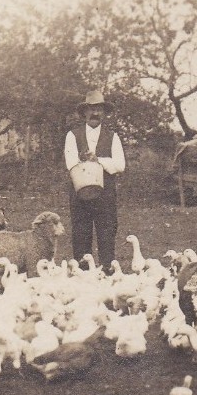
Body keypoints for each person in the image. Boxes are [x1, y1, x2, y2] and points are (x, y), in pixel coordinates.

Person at [64, 89, 125, 271]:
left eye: (99, 109)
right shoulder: (72, 136)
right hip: (80, 193)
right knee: (81, 235)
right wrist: (86, 161)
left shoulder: (113, 137)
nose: (95, 113)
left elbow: (120, 165)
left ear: (104, 113)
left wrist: (98, 159)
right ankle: (83, 277)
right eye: (91, 109)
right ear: (84, 112)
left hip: (105, 194)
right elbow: (71, 163)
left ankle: (107, 273)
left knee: (106, 234)